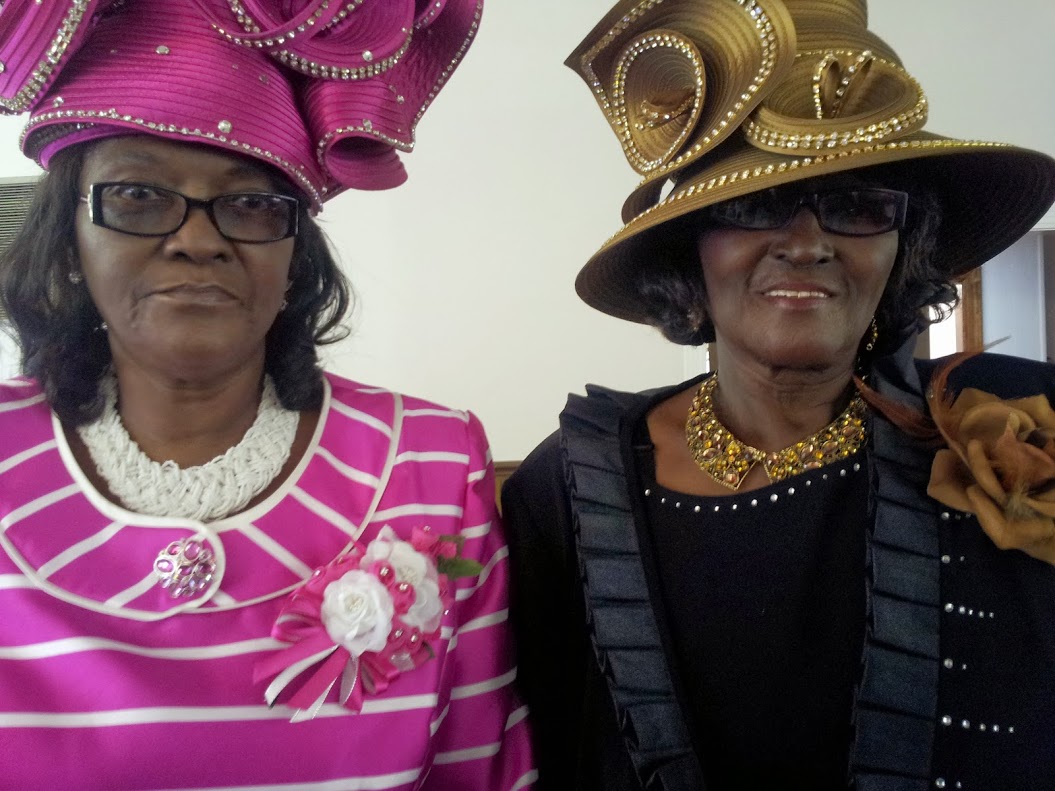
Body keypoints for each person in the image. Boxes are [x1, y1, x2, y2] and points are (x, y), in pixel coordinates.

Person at [501, 1, 1055, 789]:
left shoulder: (1017, 415)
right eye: (754, 205)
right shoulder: (564, 487)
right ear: (688, 247)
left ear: (902, 246)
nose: (804, 242)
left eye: (857, 206)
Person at [0, 1, 535, 789]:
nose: (197, 239)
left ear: (294, 258)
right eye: (139, 195)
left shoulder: (434, 461)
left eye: (250, 203)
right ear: (71, 242)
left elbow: (478, 763)